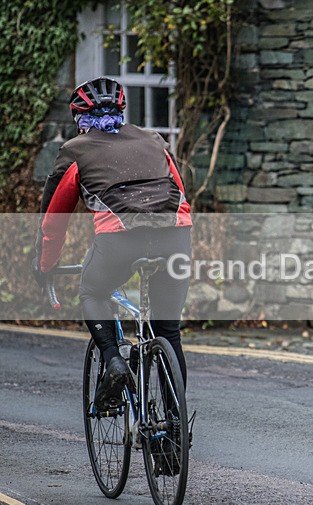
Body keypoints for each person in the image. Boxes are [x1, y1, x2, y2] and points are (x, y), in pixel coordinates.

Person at [32, 77, 193, 413]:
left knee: (92, 291)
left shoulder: (75, 150)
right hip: (175, 236)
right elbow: (180, 192)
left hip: (121, 238)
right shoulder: (154, 140)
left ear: (79, 118)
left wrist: (45, 264)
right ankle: (174, 428)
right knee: (168, 331)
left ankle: (113, 360)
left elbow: (54, 220)